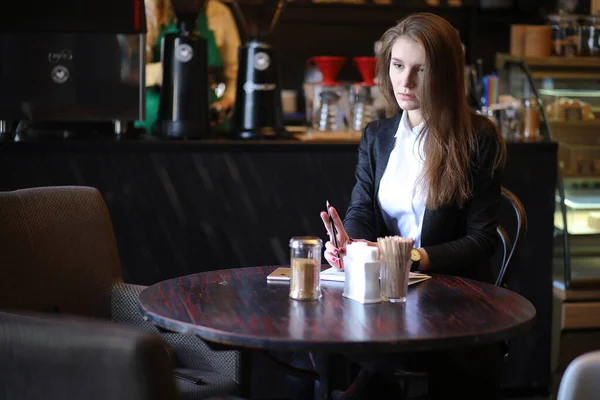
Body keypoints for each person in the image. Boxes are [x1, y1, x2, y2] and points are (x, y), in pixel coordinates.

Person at [316, 12, 508, 400]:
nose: (405, 82)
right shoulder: (378, 135)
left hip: (452, 304)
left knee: (364, 363)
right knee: (319, 342)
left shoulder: (476, 137)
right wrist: (350, 245)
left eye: (420, 70)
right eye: (398, 66)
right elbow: (362, 212)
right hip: (385, 298)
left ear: (447, 74)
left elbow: (482, 241)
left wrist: (410, 258)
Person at [138, 0, 241, 134]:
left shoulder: (220, 12)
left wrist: (222, 105)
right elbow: (134, 69)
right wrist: (171, 71)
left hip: (208, 115)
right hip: (156, 113)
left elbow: (236, 73)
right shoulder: (149, 8)